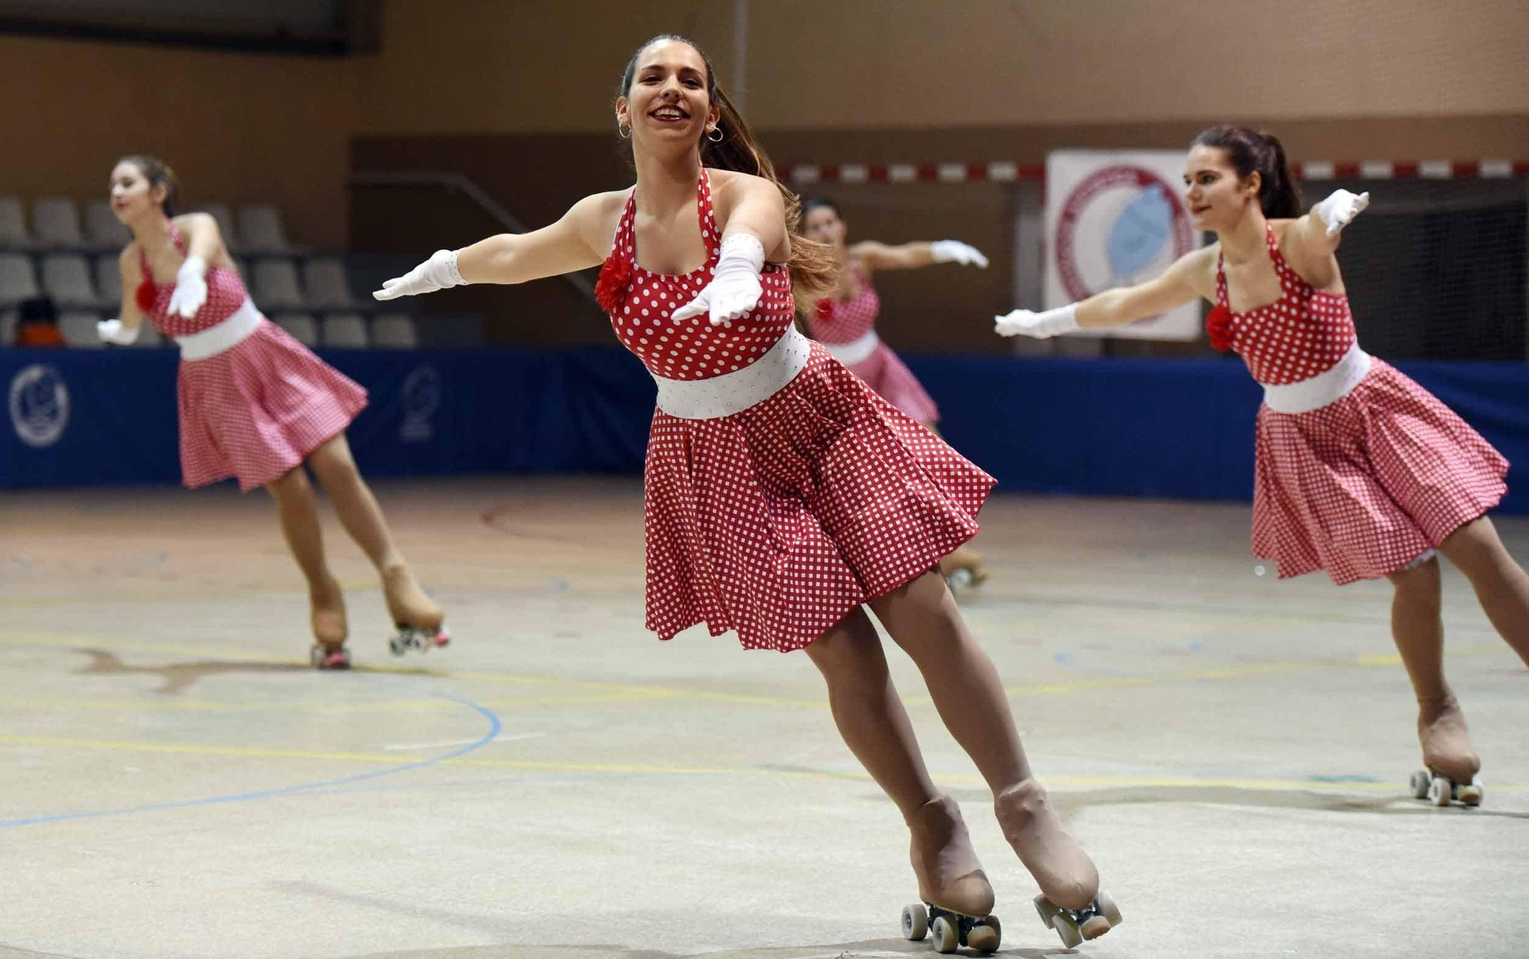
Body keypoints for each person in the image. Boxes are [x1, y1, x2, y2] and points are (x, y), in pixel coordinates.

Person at [374, 35, 1120, 949]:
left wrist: (733, 273)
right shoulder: (597, 221)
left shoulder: (740, 195)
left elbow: (756, 228)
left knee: (923, 608)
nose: (673, 89)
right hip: (716, 460)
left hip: (817, 420)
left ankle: (1024, 804)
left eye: (692, 79)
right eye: (654, 76)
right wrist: (444, 266)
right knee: (846, 657)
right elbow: (514, 251)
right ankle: (933, 824)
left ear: (712, 110)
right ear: (623, 108)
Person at [996, 124, 1528, 807]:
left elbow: (1320, 227)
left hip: (1372, 410)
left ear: (1250, 183)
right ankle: (1438, 707)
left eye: (1207, 177)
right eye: (1187, 179)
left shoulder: (1293, 243)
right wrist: (1045, 322)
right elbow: (1123, 303)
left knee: (1482, 550)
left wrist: (1337, 209)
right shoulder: (1205, 271)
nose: (1192, 190)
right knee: (1416, 578)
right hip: (1305, 441)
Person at [100, 154, 448, 669]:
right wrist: (121, 331)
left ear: (157, 191)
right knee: (292, 490)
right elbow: (133, 314)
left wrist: (194, 273)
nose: (116, 191)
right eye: (112, 185)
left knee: (338, 466)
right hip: (214, 383)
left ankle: (396, 574)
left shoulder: (195, 227)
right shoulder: (132, 262)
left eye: (127, 181)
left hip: (265, 356)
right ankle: (322, 592)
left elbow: (203, 250)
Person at [800, 197, 991, 590]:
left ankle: (949, 548)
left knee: (929, 454)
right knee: (867, 480)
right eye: (815, 226)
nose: (826, 231)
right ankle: (914, 558)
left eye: (831, 222)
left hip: (883, 370)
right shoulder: (800, 276)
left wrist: (944, 249)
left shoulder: (862, 259)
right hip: (839, 383)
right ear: (802, 236)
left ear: (843, 225)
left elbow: (906, 255)